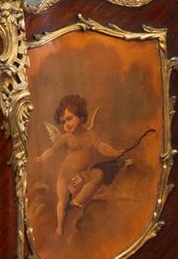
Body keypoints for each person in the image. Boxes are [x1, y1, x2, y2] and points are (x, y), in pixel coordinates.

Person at [42, 93, 129, 233]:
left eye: (69, 119)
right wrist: (41, 157)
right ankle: (59, 227)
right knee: (62, 201)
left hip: (82, 175)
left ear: (81, 117)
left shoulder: (90, 135)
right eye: (63, 122)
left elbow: (101, 147)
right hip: (65, 176)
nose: (66, 124)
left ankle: (78, 201)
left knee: (97, 176)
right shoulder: (66, 138)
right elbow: (52, 150)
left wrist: (116, 153)